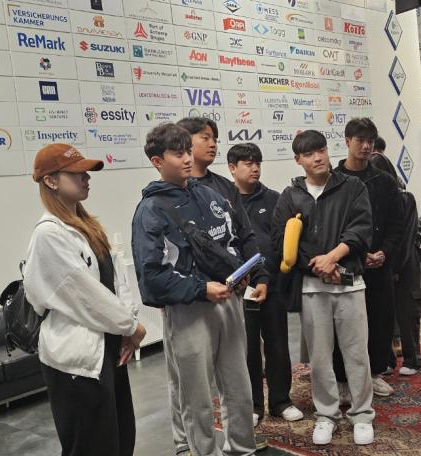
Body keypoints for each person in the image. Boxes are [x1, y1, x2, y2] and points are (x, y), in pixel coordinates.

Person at [131, 123, 261, 456]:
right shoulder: (150, 210)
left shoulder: (209, 194)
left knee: (239, 386)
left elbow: (232, 241)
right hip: (188, 311)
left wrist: (241, 272)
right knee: (196, 397)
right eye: (178, 154)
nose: (188, 159)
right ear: (157, 161)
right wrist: (201, 289)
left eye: (188, 151)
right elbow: (151, 278)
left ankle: (242, 448)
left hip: (228, 303)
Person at [24, 143, 146, 456]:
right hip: (77, 362)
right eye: (77, 173)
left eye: (87, 172)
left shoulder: (86, 226)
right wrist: (130, 326)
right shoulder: (49, 235)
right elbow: (85, 295)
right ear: (51, 180)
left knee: (120, 439)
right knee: (91, 445)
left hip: (107, 348)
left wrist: (127, 324)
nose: (86, 178)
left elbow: (115, 282)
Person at [272, 130, 375, 446]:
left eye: (321, 150)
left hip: (349, 283)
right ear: (298, 160)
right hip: (312, 286)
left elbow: (361, 229)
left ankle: (362, 414)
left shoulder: (352, 187)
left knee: (356, 354)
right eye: (309, 153)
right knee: (319, 358)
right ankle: (326, 415)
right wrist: (315, 263)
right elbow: (281, 240)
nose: (317, 157)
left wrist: (333, 257)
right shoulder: (290, 196)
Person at [175, 117, 270, 438]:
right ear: (183, 143)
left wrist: (257, 275)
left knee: (235, 374)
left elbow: (245, 235)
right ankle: (188, 444)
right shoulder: (168, 195)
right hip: (192, 300)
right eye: (204, 137)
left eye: (214, 137)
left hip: (230, 294)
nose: (213, 143)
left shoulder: (224, 187)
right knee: (190, 384)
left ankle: (240, 440)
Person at [227, 143, 303, 423]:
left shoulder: (274, 199)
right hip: (241, 287)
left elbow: (282, 241)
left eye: (257, 163)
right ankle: (253, 405)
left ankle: (281, 401)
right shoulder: (224, 202)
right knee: (247, 349)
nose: (255, 168)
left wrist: (271, 277)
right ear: (232, 168)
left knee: (278, 344)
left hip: (272, 284)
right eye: (248, 163)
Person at [333, 118, 405, 398]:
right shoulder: (333, 180)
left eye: (370, 141)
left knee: (380, 320)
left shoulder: (384, 181)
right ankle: (342, 379)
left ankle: (375, 373)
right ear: (347, 141)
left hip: (379, 263)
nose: (365, 146)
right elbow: (331, 226)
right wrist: (354, 254)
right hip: (346, 264)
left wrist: (384, 252)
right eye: (359, 140)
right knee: (343, 323)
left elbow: (397, 224)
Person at [369, 151, 421, 376]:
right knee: (383, 315)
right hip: (380, 263)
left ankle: (413, 359)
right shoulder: (371, 200)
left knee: (407, 311)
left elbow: (406, 236)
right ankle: (387, 359)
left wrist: (395, 266)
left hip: (405, 263)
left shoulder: (405, 198)